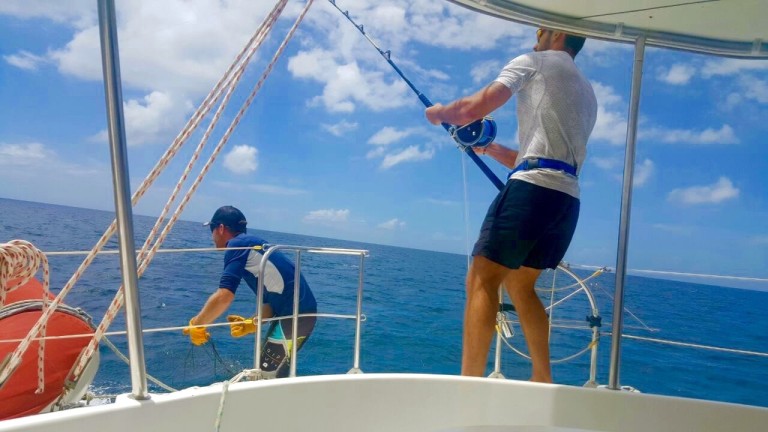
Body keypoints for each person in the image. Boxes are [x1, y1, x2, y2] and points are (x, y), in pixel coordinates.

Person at [425, 28, 597, 382]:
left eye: (541, 30)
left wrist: (440, 112)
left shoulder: (534, 62)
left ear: (558, 35)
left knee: (481, 279)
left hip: (532, 190)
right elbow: (538, 156)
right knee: (520, 285)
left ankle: (469, 384)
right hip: (566, 198)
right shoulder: (586, 90)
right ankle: (542, 377)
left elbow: (472, 108)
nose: (535, 37)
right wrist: (487, 149)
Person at [184, 205, 317, 378]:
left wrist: (198, 324)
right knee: (274, 374)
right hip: (297, 316)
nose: (212, 236)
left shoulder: (237, 245)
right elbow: (270, 300)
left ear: (221, 228)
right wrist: (252, 323)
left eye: (212, 229)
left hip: (296, 318)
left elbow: (225, 296)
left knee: (265, 375)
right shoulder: (253, 248)